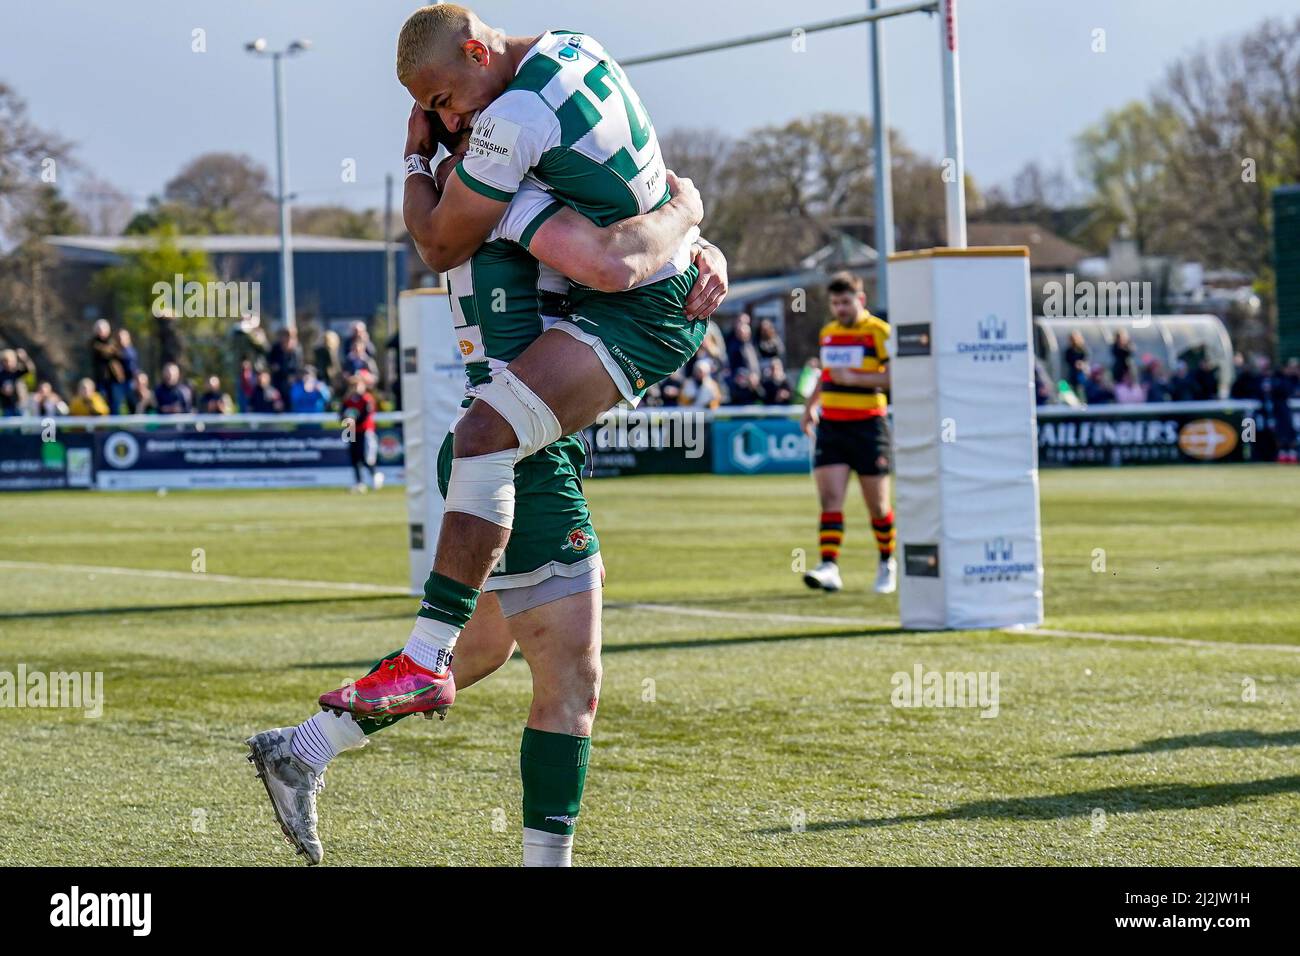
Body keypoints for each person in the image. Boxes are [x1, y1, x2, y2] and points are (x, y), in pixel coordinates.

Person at [247, 13, 727, 867]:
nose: (459, 119)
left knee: (486, 649)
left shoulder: (499, 156)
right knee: (569, 686)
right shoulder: (514, 140)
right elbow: (607, 262)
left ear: (475, 55)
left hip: (517, 435)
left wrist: (688, 231)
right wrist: (689, 215)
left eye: (445, 100)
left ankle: (303, 749)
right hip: (513, 446)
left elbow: (596, 227)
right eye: (441, 112)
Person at [799, 272, 895, 595]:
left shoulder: (880, 332)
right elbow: (827, 376)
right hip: (833, 425)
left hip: (869, 425)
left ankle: (886, 562)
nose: (840, 309)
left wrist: (855, 378)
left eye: (846, 302)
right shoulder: (829, 333)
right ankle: (829, 566)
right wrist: (811, 406)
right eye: (835, 303)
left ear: (861, 300)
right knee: (830, 499)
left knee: (878, 506)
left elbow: (895, 376)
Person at [340, 374, 381, 492]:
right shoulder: (347, 400)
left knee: (366, 457)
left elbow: (366, 415)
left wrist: (354, 420)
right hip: (351, 431)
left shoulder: (367, 399)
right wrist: (346, 420)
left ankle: (374, 475)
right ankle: (359, 483)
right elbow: (341, 415)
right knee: (354, 457)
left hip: (365, 430)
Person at [89, 320, 125, 412]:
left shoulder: (113, 341)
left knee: (115, 405)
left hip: (114, 379)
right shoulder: (93, 343)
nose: (101, 332)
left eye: (103, 329)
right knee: (100, 404)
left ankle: (115, 426)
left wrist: (111, 350)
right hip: (100, 379)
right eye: (99, 329)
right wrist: (110, 350)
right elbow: (101, 350)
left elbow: (120, 354)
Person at [268, 328, 302, 402]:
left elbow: (298, 365)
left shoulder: (296, 349)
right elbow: (270, 362)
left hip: (290, 381)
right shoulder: (275, 348)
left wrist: (293, 375)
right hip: (278, 380)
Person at [0, 348, 32, 416]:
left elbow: (30, 370)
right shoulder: (1, 374)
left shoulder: (18, 372)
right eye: (6, 361)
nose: (8, 363)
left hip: (21, 405)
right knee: (10, 426)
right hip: (8, 406)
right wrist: (3, 390)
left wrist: (24, 358)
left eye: (10, 360)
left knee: (24, 425)